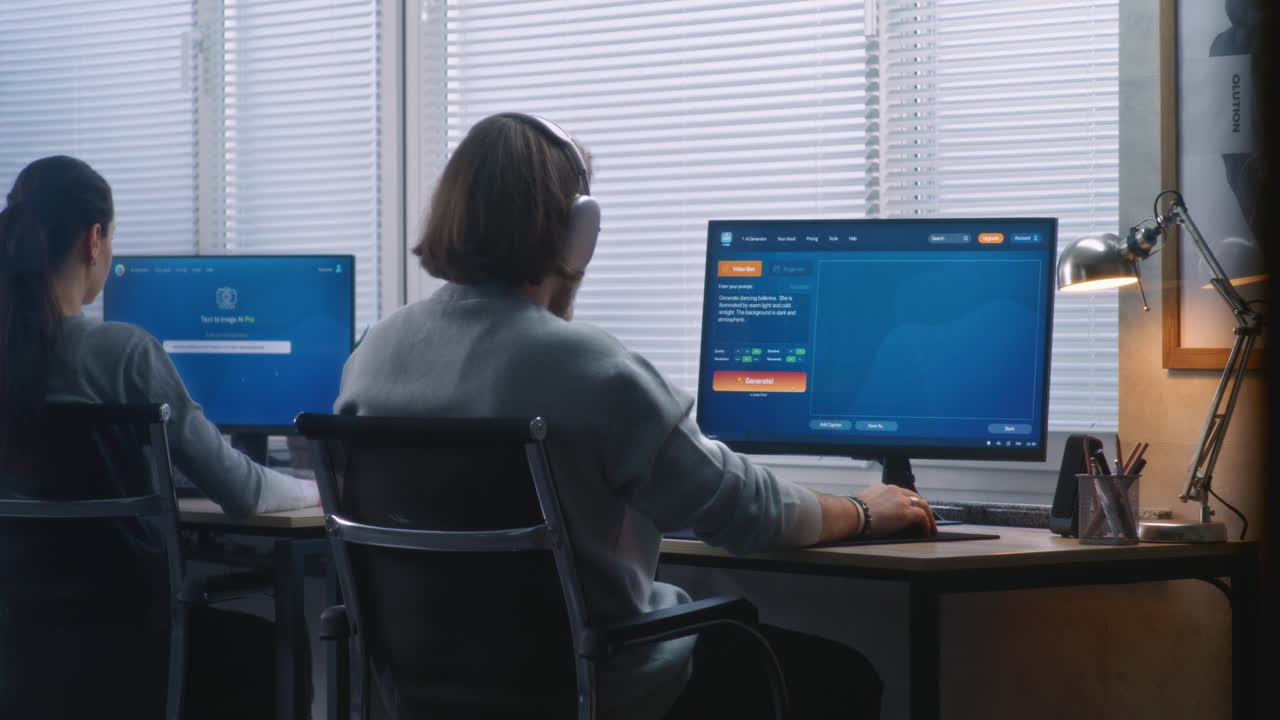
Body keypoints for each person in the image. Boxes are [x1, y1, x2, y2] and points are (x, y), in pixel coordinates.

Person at [336, 113, 938, 720]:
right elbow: (747, 512)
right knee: (842, 677)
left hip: (422, 691)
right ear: (580, 231)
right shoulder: (585, 366)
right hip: (597, 683)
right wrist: (863, 511)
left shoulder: (372, 354)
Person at [0, 155, 319, 719]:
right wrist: (319, 487)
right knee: (269, 646)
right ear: (94, 239)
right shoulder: (123, 353)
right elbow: (242, 491)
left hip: (18, 643)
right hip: (127, 639)